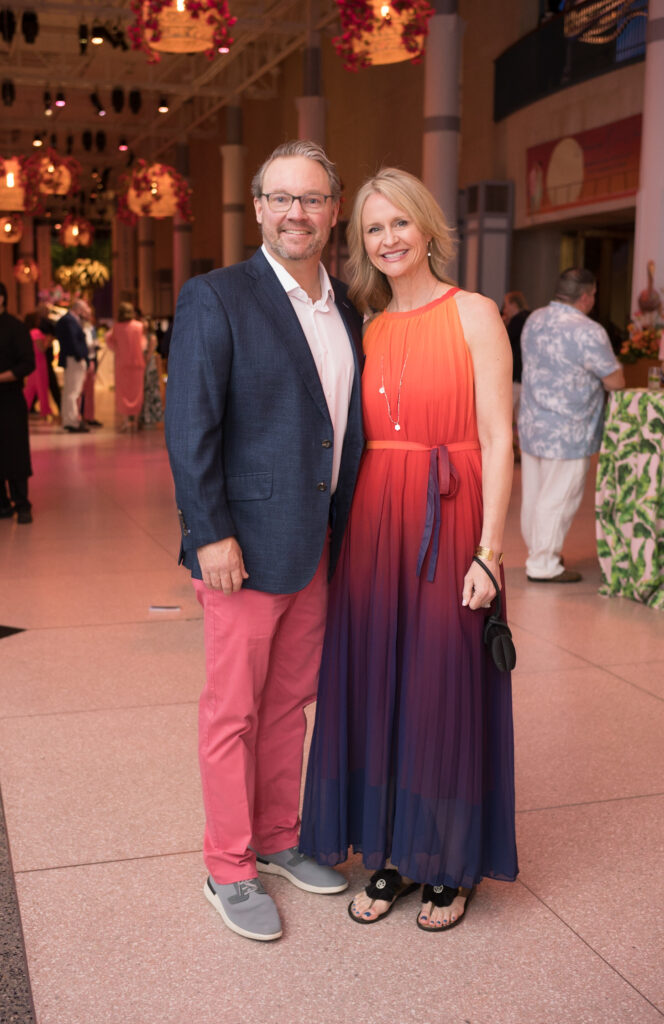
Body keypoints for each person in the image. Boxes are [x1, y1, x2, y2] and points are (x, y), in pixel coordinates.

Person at [299, 168, 518, 933]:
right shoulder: (368, 327)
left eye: (399, 222)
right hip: (374, 527)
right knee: (382, 685)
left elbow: (498, 438)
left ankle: (447, 861)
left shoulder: (474, 313)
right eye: (372, 228)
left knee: (441, 684)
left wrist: (490, 551)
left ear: (426, 227)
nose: (388, 239)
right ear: (359, 243)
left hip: (450, 517)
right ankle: (392, 852)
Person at [165, 140, 364, 943]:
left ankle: (278, 837)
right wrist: (209, 532)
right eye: (280, 198)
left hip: (315, 544)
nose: (295, 213)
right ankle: (228, 866)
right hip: (240, 551)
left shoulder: (346, 308)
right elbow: (190, 428)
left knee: (288, 704)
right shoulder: (217, 296)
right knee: (233, 711)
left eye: (310, 199)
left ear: (333, 211)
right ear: (257, 209)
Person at [518, 267, 624, 582]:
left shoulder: (534, 320)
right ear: (587, 297)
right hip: (568, 430)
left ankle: (538, 551)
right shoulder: (588, 330)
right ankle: (544, 564)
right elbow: (615, 381)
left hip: (533, 424)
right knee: (559, 497)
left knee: (535, 495)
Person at [0, 282, 35, 524]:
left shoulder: (15, 327)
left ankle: (22, 503)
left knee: (15, 451)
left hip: (10, 398)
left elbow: (27, 363)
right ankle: (2, 503)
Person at [106, 302, 147, 432]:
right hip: (137, 362)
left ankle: (125, 422)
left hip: (122, 363)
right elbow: (143, 344)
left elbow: (108, 340)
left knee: (122, 392)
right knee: (137, 392)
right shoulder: (139, 326)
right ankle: (135, 421)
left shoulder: (116, 327)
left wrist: (117, 349)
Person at [54, 298, 93, 433]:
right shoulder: (69, 321)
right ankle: (72, 421)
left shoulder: (69, 320)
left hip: (72, 358)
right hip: (74, 359)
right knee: (73, 392)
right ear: (79, 309)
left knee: (69, 391)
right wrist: (80, 356)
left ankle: (68, 420)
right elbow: (73, 341)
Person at [501, 290, 530, 425]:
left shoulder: (517, 321)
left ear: (514, 304)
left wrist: (503, 325)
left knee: (503, 415)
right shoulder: (530, 317)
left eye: (506, 305)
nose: (505, 310)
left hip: (516, 376)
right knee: (521, 419)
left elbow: (503, 343)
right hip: (527, 376)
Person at [23, 311, 52, 420]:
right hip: (39, 363)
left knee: (31, 388)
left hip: (35, 362)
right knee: (41, 387)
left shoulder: (30, 332)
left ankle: (24, 408)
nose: (40, 321)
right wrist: (48, 341)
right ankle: (45, 410)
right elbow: (41, 349)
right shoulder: (36, 332)